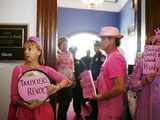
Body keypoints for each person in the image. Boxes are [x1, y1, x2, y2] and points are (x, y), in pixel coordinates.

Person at [8, 36, 70, 120]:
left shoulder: (46, 69)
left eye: (29, 49)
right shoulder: (18, 69)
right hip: (25, 114)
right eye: (25, 49)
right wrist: (26, 104)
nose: (26, 52)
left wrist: (56, 87)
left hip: (45, 113)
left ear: (39, 52)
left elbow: (67, 81)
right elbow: (13, 97)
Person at [87, 26, 126, 120]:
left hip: (111, 110)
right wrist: (89, 84)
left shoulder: (114, 58)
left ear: (112, 40)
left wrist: (101, 97)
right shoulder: (109, 57)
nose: (100, 42)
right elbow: (105, 80)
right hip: (106, 107)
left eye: (103, 39)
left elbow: (119, 87)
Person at [128, 34, 160, 120]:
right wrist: (144, 81)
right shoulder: (141, 63)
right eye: (158, 43)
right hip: (145, 109)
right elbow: (131, 85)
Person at [56, 37, 75, 120]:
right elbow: (54, 66)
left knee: (68, 100)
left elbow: (72, 66)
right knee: (62, 103)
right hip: (61, 81)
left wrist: (73, 77)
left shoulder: (70, 53)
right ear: (59, 45)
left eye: (66, 44)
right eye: (63, 44)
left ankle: (63, 117)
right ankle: (61, 118)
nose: (65, 46)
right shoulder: (57, 54)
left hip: (69, 81)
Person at [87, 41, 105, 120]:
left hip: (98, 81)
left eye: (97, 46)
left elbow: (102, 70)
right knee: (92, 99)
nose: (95, 48)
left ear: (100, 47)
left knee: (97, 100)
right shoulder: (94, 56)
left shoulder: (102, 57)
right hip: (92, 80)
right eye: (94, 46)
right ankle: (93, 114)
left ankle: (95, 116)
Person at [69, 47, 86, 120]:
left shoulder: (79, 61)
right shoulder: (66, 62)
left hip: (78, 84)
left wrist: (82, 77)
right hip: (68, 83)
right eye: (72, 52)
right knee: (67, 100)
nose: (73, 53)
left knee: (77, 98)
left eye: (74, 52)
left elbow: (84, 70)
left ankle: (78, 112)